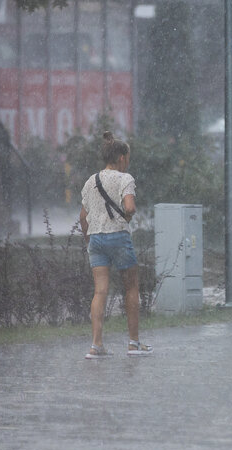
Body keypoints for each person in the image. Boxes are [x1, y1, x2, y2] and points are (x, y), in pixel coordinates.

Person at [79, 131, 153, 359]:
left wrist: (89, 240)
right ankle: (133, 343)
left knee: (100, 291)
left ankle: (96, 345)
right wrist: (128, 217)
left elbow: (83, 217)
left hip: (96, 239)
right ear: (121, 157)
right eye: (127, 157)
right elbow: (129, 207)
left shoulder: (91, 181)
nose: (128, 162)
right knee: (131, 287)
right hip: (118, 237)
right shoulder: (125, 178)